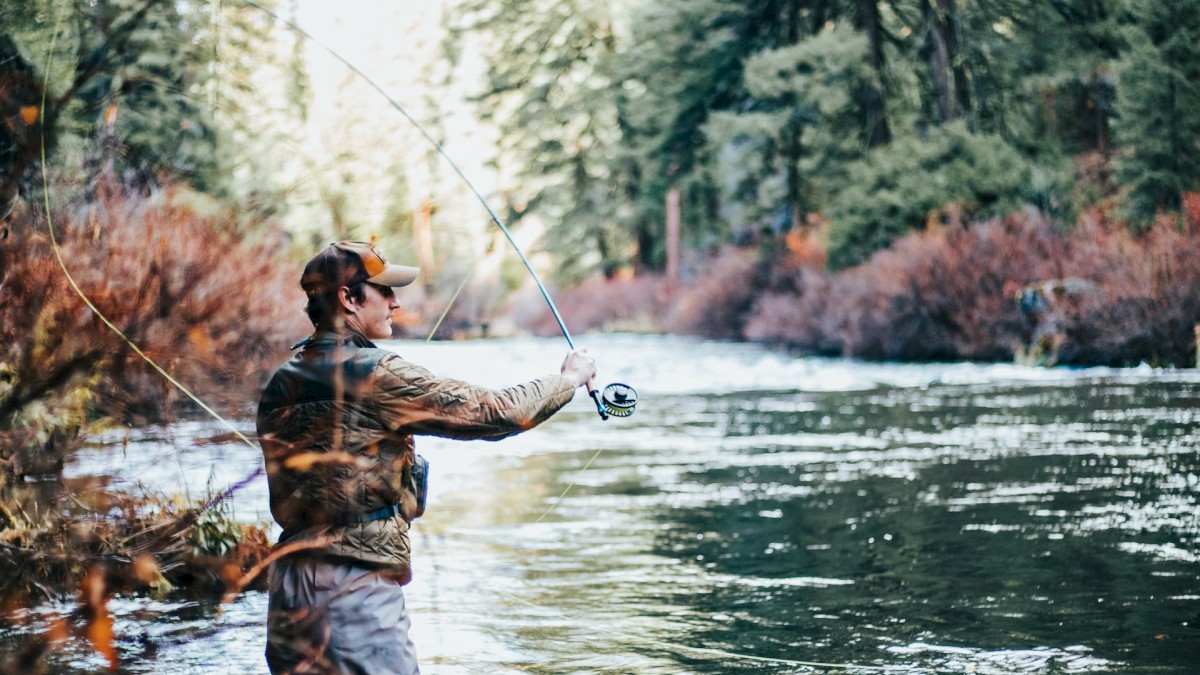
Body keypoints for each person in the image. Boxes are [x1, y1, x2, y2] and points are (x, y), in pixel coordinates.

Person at [257, 240, 597, 674]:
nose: (396, 302)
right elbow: (496, 413)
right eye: (384, 291)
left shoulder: (281, 381)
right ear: (347, 298)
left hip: (287, 590)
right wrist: (567, 379)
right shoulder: (377, 373)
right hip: (351, 592)